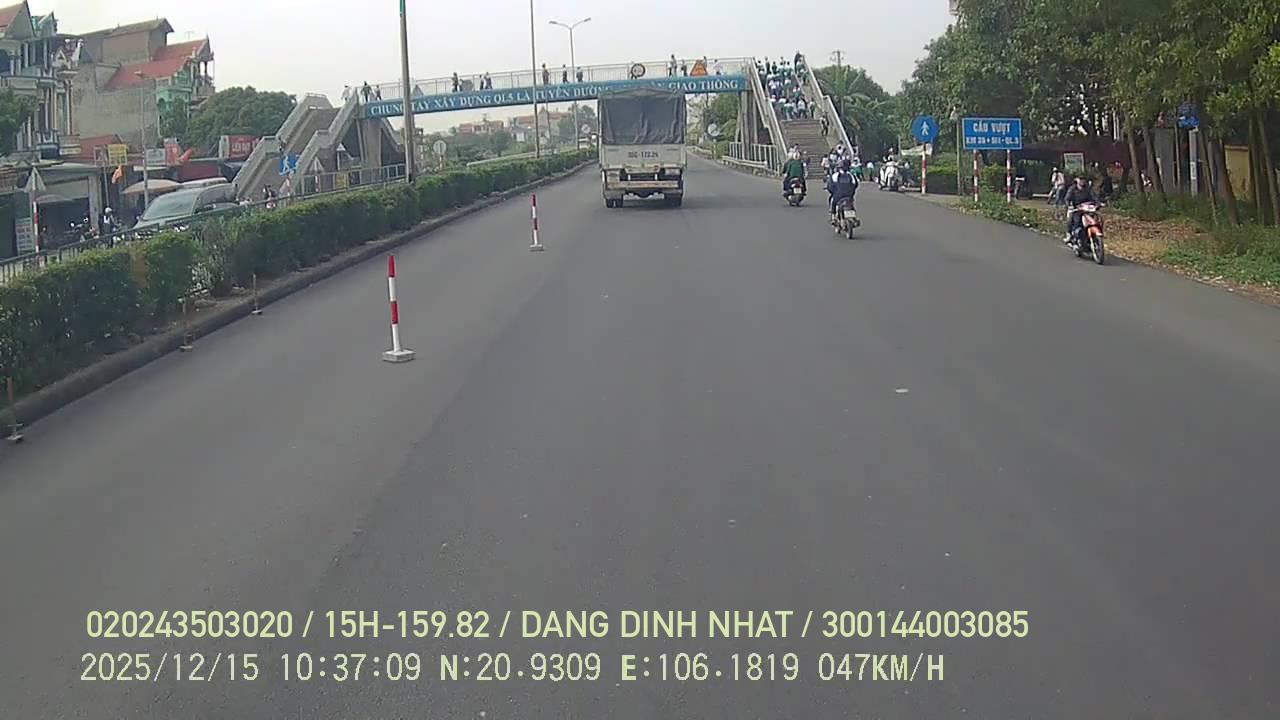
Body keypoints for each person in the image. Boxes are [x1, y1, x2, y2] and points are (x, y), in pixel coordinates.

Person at [1062, 176, 1096, 242]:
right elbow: (1067, 198)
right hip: (1075, 208)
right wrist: (1069, 205)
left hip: (1087, 209)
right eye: (1080, 179)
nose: (1082, 181)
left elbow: (1094, 197)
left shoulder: (1088, 189)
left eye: (1083, 180)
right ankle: (1069, 235)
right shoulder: (1072, 189)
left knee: (1096, 218)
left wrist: (1098, 203)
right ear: (1077, 180)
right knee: (1073, 220)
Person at [827, 158, 859, 222]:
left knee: (833, 203)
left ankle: (833, 217)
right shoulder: (851, 175)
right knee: (851, 204)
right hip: (849, 195)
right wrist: (851, 192)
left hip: (838, 196)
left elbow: (830, 186)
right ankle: (854, 217)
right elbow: (855, 185)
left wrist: (833, 192)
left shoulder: (835, 175)